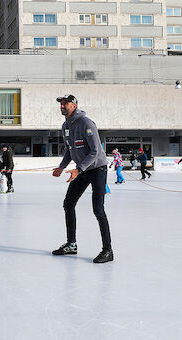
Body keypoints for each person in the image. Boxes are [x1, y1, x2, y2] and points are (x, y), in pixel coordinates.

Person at [52, 94, 113, 264]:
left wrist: (78, 169)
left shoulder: (86, 123)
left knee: (98, 209)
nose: (62, 106)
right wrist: (61, 167)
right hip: (81, 170)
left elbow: (95, 151)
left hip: (97, 168)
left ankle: (108, 250)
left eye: (65, 104)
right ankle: (71, 244)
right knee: (68, 204)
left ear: (74, 105)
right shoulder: (66, 125)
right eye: (61, 104)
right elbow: (69, 150)